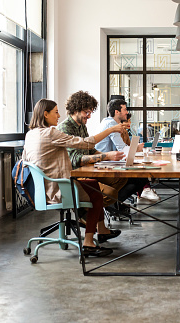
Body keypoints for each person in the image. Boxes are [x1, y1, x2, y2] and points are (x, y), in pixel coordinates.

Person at [23, 99, 126, 257]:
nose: (58, 116)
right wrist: (110, 130)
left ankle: (99, 230)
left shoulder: (30, 135)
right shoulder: (51, 133)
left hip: (41, 189)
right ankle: (88, 242)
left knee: (93, 185)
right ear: (45, 114)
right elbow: (85, 143)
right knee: (96, 193)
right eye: (55, 112)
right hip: (59, 188)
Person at [56, 91, 127, 211]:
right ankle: (86, 213)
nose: (89, 116)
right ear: (75, 109)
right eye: (86, 112)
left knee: (121, 178)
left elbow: (90, 150)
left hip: (86, 171)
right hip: (74, 175)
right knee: (111, 194)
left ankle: (92, 209)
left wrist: (110, 156)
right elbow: (76, 160)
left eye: (90, 112)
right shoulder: (65, 128)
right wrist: (106, 156)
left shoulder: (82, 125)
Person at [95, 99, 149, 211]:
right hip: (104, 165)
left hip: (110, 163)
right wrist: (136, 148)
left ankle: (115, 203)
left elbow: (122, 148)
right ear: (117, 112)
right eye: (124, 109)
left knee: (139, 177)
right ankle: (112, 204)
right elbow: (122, 148)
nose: (127, 112)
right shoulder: (111, 124)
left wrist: (135, 148)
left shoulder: (110, 122)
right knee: (140, 178)